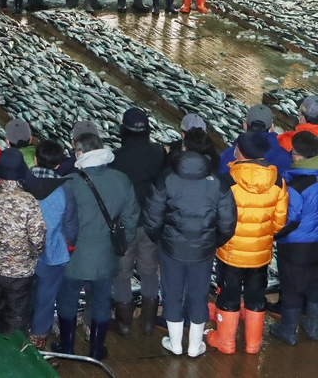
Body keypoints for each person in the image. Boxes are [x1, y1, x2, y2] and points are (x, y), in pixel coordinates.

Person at [53, 133, 139, 361]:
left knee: (67, 300)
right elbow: (132, 219)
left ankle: (67, 345)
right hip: (107, 254)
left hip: (74, 256)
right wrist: (122, 242)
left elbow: (60, 221)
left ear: (80, 153)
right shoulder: (122, 180)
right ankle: (96, 348)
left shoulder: (71, 183)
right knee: (101, 300)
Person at [143, 151, 236, 357]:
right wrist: (213, 242)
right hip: (203, 250)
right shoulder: (218, 182)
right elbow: (228, 223)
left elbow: (152, 218)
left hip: (172, 249)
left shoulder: (166, 178)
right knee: (199, 293)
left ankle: (175, 344)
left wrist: (161, 239)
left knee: (172, 292)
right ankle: (195, 346)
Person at [209, 133, 288, 354]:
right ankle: (253, 344)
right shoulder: (278, 180)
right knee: (255, 294)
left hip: (231, 253)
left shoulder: (227, 180)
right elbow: (280, 222)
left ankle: (226, 342)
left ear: (241, 152)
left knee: (229, 294)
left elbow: (219, 219)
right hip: (260, 253)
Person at [0, 149, 46, 334]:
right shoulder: (28, 201)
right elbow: (37, 238)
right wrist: (30, 253)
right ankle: (13, 357)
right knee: (17, 318)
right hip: (20, 273)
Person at [110, 108, 166, 338]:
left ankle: (124, 325)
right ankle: (148, 323)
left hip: (125, 225)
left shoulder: (116, 158)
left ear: (124, 131)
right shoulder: (159, 153)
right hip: (151, 225)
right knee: (150, 271)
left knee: (122, 274)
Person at [27, 142, 79, 351]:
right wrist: (68, 246)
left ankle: (16, 340)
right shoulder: (64, 191)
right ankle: (38, 344)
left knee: (21, 297)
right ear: (58, 165)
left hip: (23, 253)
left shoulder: (23, 185)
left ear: (36, 160)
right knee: (45, 301)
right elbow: (71, 227)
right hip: (53, 253)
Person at [271, 132, 318, 345]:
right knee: (314, 286)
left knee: (292, 289)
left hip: (296, 248)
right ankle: (313, 326)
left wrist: (273, 234)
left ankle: (289, 331)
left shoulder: (296, 186)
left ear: (297, 156)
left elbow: (290, 220)